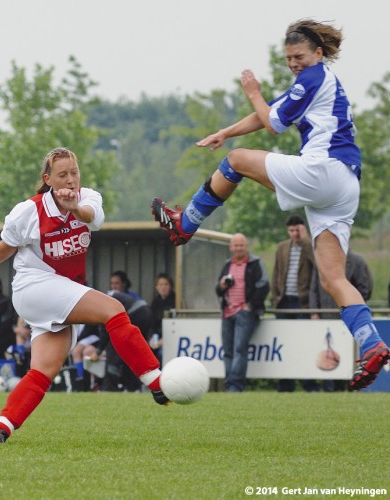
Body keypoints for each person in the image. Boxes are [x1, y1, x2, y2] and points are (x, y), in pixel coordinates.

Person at [151, 19, 389, 390]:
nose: (294, 62)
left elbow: (273, 122)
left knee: (237, 161)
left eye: (299, 56)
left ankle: (186, 223)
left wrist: (252, 91)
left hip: (323, 170)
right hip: (344, 184)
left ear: (318, 53)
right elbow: (271, 113)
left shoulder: (312, 78)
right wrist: (226, 131)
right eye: (289, 58)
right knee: (333, 278)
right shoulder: (317, 82)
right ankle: (372, 345)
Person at [0, 147, 167, 445]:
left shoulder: (89, 198)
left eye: (74, 173)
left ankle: (1, 427)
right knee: (113, 309)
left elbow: (91, 217)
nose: (70, 180)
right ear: (48, 179)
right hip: (33, 287)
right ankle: (156, 381)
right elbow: (5, 246)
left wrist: (75, 207)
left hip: (59, 292)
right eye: (62, 175)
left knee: (44, 371)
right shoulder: (29, 210)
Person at [310, 250, 373, 392]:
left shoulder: (357, 261)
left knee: (347, 354)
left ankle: (348, 386)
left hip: (348, 320)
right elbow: (313, 288)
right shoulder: (321, 260)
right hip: (325, 317)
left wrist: (350, 307)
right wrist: (314, 311)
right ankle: (328, 388)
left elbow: (365, 289)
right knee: (327, 352)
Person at [215, 233, 269, 392]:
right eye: (235, 245)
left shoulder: (256, 263)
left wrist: (251, 305)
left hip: (245, 313)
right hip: (227, 312)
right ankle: (230, 384)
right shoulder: (227, 265)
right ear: (230, 247)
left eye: (241, 245)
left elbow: (264, 286)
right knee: (228, 351)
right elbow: (218, 290)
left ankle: (235, 386)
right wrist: (223, 285)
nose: (238, 248)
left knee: (240, 349)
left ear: (246, 247)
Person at [271, 215, 318, 392]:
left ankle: (310, 385)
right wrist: (275, 298)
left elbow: (318, 266)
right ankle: (285, 385)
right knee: (284, 345)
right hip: (284, 303)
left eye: (298, 230)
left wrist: (307, 239)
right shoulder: (282, 247)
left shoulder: (310, 246)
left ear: (303, 229)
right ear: (287, 231)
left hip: (303, 303)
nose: (295, 234)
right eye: (291, 231)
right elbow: (276, 273)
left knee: (306, 344)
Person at [88, 291, 154, 392]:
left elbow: (105, 330)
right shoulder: (108, 297)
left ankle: (110, 388)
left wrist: (98, 352)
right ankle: (135, 386)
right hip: (146, 312)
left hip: (135, 314)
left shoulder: (100, 305)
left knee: (114, 344)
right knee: (135, 352)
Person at [149, 273, 176, 363]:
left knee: (161, 354)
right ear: (156, 287)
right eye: (160, 285)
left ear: (170, 286)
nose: (163, 287)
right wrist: (152, 338)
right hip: (157, 336)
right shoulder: (155, 302)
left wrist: (163, 340)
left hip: (172, 336)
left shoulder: (176, 300)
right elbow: (152, 323)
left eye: (166, 284)